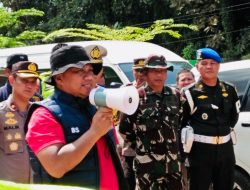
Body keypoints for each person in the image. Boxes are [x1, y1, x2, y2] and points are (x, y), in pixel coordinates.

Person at [25, 45, 128, 189]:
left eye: (90, 70)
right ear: (59, 78)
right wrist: (94, 132)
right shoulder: (44, 115)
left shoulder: (93, 107)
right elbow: (56, 167)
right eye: (79, 71)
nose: (89, 77)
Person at [119, 55, 183, 190]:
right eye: (154, 71)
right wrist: (144, 147)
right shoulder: (136, 97)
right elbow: (125, 130)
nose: (159, 75)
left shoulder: (176, 95)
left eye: (163, 71)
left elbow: (181, 124)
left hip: (172, 165)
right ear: (145, 73)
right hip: (147, 166)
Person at [181, 48, 240, 190]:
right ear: (197, 67)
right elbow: (182, 123)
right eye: (204, 63)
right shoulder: (190, 93)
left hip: (226, 151)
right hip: (200, 153)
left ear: (218, 66)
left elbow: (234, 117)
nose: (209, 66)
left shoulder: (230, 90)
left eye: (213, 63)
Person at [0, 61, 40, 183]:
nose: (29, 85)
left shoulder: (40, 112)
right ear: (12, 80)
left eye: (33, 81)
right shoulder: (1, 113)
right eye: (24, 80)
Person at [120, 58, 146, 190]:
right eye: (137, 70)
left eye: (143, 70)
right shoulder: (125, 90)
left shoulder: (152, 90)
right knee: (128, 182)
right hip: (130, 148)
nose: (140, 74)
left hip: (149, 149)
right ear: (133, 71)